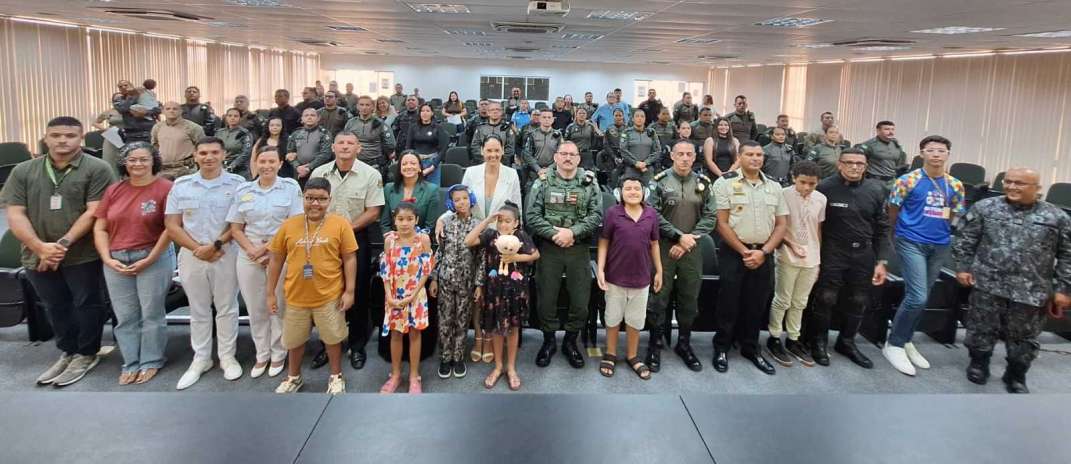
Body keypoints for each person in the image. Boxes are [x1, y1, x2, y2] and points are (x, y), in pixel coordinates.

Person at [3, 116, 115, 387]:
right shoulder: (23, 171)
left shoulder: (97, 168)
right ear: (45, 138)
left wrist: (61, 245)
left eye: (69, 135)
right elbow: (15, 214)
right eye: (56, 135)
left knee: (87, 303)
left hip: (82, 253)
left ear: (81, 139)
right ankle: (68, 350)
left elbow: (94, 212)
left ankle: (87, 353)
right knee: (55, 304)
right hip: (36, 253)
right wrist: (40, 247)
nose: (62, 140)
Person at [953, 168, 1071, 393]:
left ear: (1037, 189)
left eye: (1020, 183)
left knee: (1025, 336)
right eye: (1008, 182)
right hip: (988, 282)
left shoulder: (1056, 217)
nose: (1012, 187)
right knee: (981, 327)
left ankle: (1016, 373)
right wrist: (962, 268)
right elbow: (965, 239)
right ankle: (979, 363)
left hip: (1031, 288)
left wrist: (1064, 288)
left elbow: (1068, 255)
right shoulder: (985, 208)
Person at [164, 136, 245, 390]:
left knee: (227, 307)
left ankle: (227, 357)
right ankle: (200, 359)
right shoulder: (182, 185)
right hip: (192, 254)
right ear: (195, 156)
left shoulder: (238, 184)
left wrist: (216, 245)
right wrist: (198, 248)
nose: (208, 158)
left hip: (226, 252)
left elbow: (238, 223)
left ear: (224, 155)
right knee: (198, 309)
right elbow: (171, 225)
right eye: (203, 153)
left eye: (214, 153)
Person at [882, 135, 966, 376]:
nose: (936, 154)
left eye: (941, 150)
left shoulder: (955, 185)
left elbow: (953, 216)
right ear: (922, 153)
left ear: (948, 154)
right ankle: (895, 343)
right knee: (917, 296)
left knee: (922, 295)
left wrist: (940, 233)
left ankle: (907, 338)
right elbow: (893, 211)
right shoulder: (908, 180)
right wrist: (898, 237)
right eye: (931, 150)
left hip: (939, 244)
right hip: (911, 242)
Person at [801, 149, 891, 369]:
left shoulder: (877, 189)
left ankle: (847, 342)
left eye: (859, 164)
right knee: (826, 298)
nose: (854, 167)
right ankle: (819, 341)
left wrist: (882, 262)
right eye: (849, 163)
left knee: (859, 300)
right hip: (833, 252)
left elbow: (882, 227)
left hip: (864, 253)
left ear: (866, 166)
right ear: (839, 165)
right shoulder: (824, 188)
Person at [92, 142, 173, 385]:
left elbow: (170, 229)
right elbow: (100, 227)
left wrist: (150, 258)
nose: (137, 164)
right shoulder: (114, 190)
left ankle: (151, 360)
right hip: (116, 259)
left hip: (153, 256)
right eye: (132, 159)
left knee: (151, 313)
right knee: (125, 315)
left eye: (143, 159)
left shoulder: (166, 188)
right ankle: (130, 361)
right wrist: (107, 258)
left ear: (153, 161)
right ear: (124, 163)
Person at [267, 177, 356, 394]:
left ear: (329, 200)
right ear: (303, 198)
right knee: (293, 341)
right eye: (310, 198)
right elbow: (276, 259)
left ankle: (336, 376)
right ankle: (293, 377)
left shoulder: (340, 224)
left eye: (321, 199)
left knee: (333, 338)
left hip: (329, 295)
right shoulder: (289, 225)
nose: (315, 204)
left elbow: (350, 258)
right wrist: (270, 293)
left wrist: (350, 291)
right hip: (296, 296)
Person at [308, 131, 385, 371]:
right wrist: (331, 232)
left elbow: (373, 211)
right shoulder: (319, 173)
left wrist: (342, 230)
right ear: (333, 147)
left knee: (358, 293)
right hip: (322, 240)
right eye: (340, 142)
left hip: (355, 237)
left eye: (350, 143)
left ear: (358, 148)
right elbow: (311, 204)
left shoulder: (370, 174)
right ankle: (329, 343)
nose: (345, 146)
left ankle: (357, 345)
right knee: (326, 292)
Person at [712, 141, 788, 375]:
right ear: (740, 157)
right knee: (728, 303)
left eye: (759, 155)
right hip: (734, 253)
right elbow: (721, 223)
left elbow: (782, 224)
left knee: (756, 304)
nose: (755, 159)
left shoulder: (774, 187)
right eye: (750, 154)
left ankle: (751, 348)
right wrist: (745, 251)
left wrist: (763, 252)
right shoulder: (725, 183)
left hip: (763, 253)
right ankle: (722, 347)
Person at [227, 147, 303, 379]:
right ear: (255, 163)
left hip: (280, 254)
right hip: (248, 256)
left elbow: (294, 223)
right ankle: (262, 353)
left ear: (280, 163)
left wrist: (267, 249)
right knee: (256, 307)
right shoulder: (244, 190)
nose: (266, 165)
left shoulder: (290, 188)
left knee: (278, 305)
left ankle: (279, 352)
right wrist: (252, 250)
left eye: (272, 161)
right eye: (262, 161)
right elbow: (236, 227)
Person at [526, 141, 603, 368]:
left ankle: (571, 341)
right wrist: (554, 234)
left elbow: (596, 215)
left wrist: (572, 232)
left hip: (578, 249)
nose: (568, 158)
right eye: (563, 154)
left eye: (572, 154)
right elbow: (531, 216)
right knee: (546, 299)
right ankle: (548, 341)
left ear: (579, 159)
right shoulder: (542, 182)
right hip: (549, 249)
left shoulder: (590, 183)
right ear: (556, 157)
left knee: (580, 302)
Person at [644, 141, 717, 372]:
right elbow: (652, 213)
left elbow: (710, 215)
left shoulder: (703, 183)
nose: (685, 158)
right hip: (663, 248)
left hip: (691, 248)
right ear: (672, 156)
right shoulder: (659, 182)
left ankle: (684, 344)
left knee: (689, 297)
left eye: (689, 154)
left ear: (694, 157)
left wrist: (688, 240)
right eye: (680, 154)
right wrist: (677, 236)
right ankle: (654, 344)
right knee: (658, 297)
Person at [595, 175, 661, 381]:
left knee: (635, 320)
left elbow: (655, 244)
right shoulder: (613, 213)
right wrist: (601, 269)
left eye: (636, 188)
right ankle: (611, 353)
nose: (633, 192)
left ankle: (632, 355)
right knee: (612, 318)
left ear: (644, 192)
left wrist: (659, 270)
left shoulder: (651, 214)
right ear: (620, 193)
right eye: (628, 188)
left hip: (641, 278)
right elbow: (604, 241)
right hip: (615, 277)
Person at [466, 202, 538, 391]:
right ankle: (498, 366)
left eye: (507, 221)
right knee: (496, 329)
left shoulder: (521, 236)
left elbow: (535, 255)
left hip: (515, 291)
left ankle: (511, 367)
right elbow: (469, 240)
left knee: (513, 329)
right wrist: (488, 220)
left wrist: (516, 258)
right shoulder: (491, 236)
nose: (503, 225)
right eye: (500, 221)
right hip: (494, 291)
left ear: (516, 223)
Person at [764, 161, 825, 367]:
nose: (807, 188)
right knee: (783, 299)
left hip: (812, 257)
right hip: (787, 255)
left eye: (812, 184)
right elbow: (777, 226)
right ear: (793, 178)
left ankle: (793, 338)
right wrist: (790, 244)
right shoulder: (783, 194)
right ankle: (774, 337)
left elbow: (817, 228)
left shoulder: (821, 199)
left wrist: (818, 255)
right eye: (803, 182)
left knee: (800, 301)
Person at [378, 202, 434, 394]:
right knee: (395, 334)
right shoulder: (390, 241)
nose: (405, 223)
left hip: (415, 295)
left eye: (410, 219)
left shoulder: (423, 240)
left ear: (416, 220)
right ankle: (395, 374)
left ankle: (414, 376)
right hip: (394, 295)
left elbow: (426, 270)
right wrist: (389, 296)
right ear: (394, 220)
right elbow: (385, 270)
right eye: (400, 219)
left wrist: (413, 294)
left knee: (415, 334)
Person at [430, 185, 480, 379]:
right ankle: (445, 357)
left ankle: (458, 357)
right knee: (445, 320)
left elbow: (481, 258)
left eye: (465, 198)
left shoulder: (477, 225)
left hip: (466, 282)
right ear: (451, 202)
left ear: (471, 199)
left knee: (462, 319)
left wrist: (479, 284)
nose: (462, 202)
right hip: (445, 280)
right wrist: (434, 278)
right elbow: (439, 252)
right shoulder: (446, 223)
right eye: (457, 199)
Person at [381, 151, 440, 233]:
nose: (408, 167)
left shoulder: (432, 190)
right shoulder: (388, 188)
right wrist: (391, 240)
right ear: (400, 168)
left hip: (420, 241)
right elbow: (385, 224)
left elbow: (430, 226)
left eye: (413, 163)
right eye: (404, 164)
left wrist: (414, 242)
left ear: (420, 167)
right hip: (394, 241)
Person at [343, 95, 397, 179]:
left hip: (375, 164)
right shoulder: (350, 123)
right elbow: (345, 140)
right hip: (354, 163)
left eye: (367, 105)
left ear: (372, 107)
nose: (364, 107)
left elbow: (391, 145)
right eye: (361, 105)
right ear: (357, 106)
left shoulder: (380, 124)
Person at [152, 101, 205, 178]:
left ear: (181, 111)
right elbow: (155, 146)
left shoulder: (194, 128)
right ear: (163, 111)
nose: (171, 111)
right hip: (163, 171)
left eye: (175, 109)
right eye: (168, 109)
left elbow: (202, 148)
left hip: (186, 170)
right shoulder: (157, 127)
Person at [405, 104, 449, 186]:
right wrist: (412, 163)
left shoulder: (438, 127)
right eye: (422, 111)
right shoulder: (413, 127)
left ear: (432, 113)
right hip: (416, 162)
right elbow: (408, 147)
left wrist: (433, 166)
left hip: (432, 162)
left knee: (434, 191)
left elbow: (443, 149)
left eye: (427, 111)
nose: (425, 113)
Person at [287, 108, 333, 182]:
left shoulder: (324, 134)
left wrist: (309, 167)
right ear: (302, 118)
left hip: (319, 171)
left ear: (318, 118)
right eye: (306, 115)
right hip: (299, 172)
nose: (309, 117)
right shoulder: (296, 134)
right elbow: (290, 153)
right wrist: (297, 167)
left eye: (312, 115)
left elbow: (326, 154)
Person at [521, 110, 563, 189]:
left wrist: (549, 168)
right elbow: (527, 154)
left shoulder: (558, 135)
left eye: (549, 117)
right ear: (540, 119)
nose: (547, 119)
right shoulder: (532, 134)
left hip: (553, 172)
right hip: (535, 172)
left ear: (553, 119)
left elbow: (561, 154)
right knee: (530, 197)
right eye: (544, 117)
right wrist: (538, 169)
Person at [616, 110, 661, 185]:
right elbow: (623, 150)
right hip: (631, 168)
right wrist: (635, 163)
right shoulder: (626, 132)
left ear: (645, 119)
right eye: (637, 116)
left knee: (650, 192)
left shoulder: (651, 132)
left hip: (647, 169)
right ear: (633, 119)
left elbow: (657, 150)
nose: (640, 118)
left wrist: (646, 162)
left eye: (642, 116)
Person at [113, 80, 159, 144]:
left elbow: (158, 109)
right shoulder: (118, 100)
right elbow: (123, 109)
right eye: (120, 87)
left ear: (132, 86)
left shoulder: (145, 95)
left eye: (126, 85)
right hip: (132, 134)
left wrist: (146, 112)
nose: (123, 87)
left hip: (149, 131)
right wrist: (132, 95)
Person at [216, 108, 254, 179]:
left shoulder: (245, 133)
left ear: (240, 118)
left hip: (240, 170)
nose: (232, 118)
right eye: (230, 116)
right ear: (226, 117)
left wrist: (232, 166)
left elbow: (246, 153)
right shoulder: (219, 133)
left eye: (236, 116)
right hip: (221, 168)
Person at [563, 107, 603, 171]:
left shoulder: (590, 126)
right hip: (574, 154)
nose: (582, 115)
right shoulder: (570, 127)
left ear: (586, 115)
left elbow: (593, 140)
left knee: (589, 175)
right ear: (576, 115)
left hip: (587, 154)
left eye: (584, 113)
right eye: (580, 113)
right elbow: (566, 141)